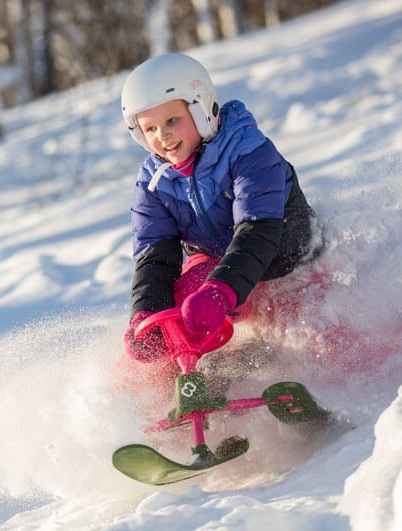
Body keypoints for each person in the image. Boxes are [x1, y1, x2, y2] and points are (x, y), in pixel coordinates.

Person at [120, 53, 320, 363]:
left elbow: (258, 233)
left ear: (202, 110)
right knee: (177, 312)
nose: (163, 136)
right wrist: (147, 313)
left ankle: (324, 370)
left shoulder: (249, 153)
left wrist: (222, 289)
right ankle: (171, 387)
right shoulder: (153, 183)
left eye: (172, 120)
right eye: (150, 129)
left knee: (312, 329)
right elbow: (155, 259)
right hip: (220, 273)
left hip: (289, 264)